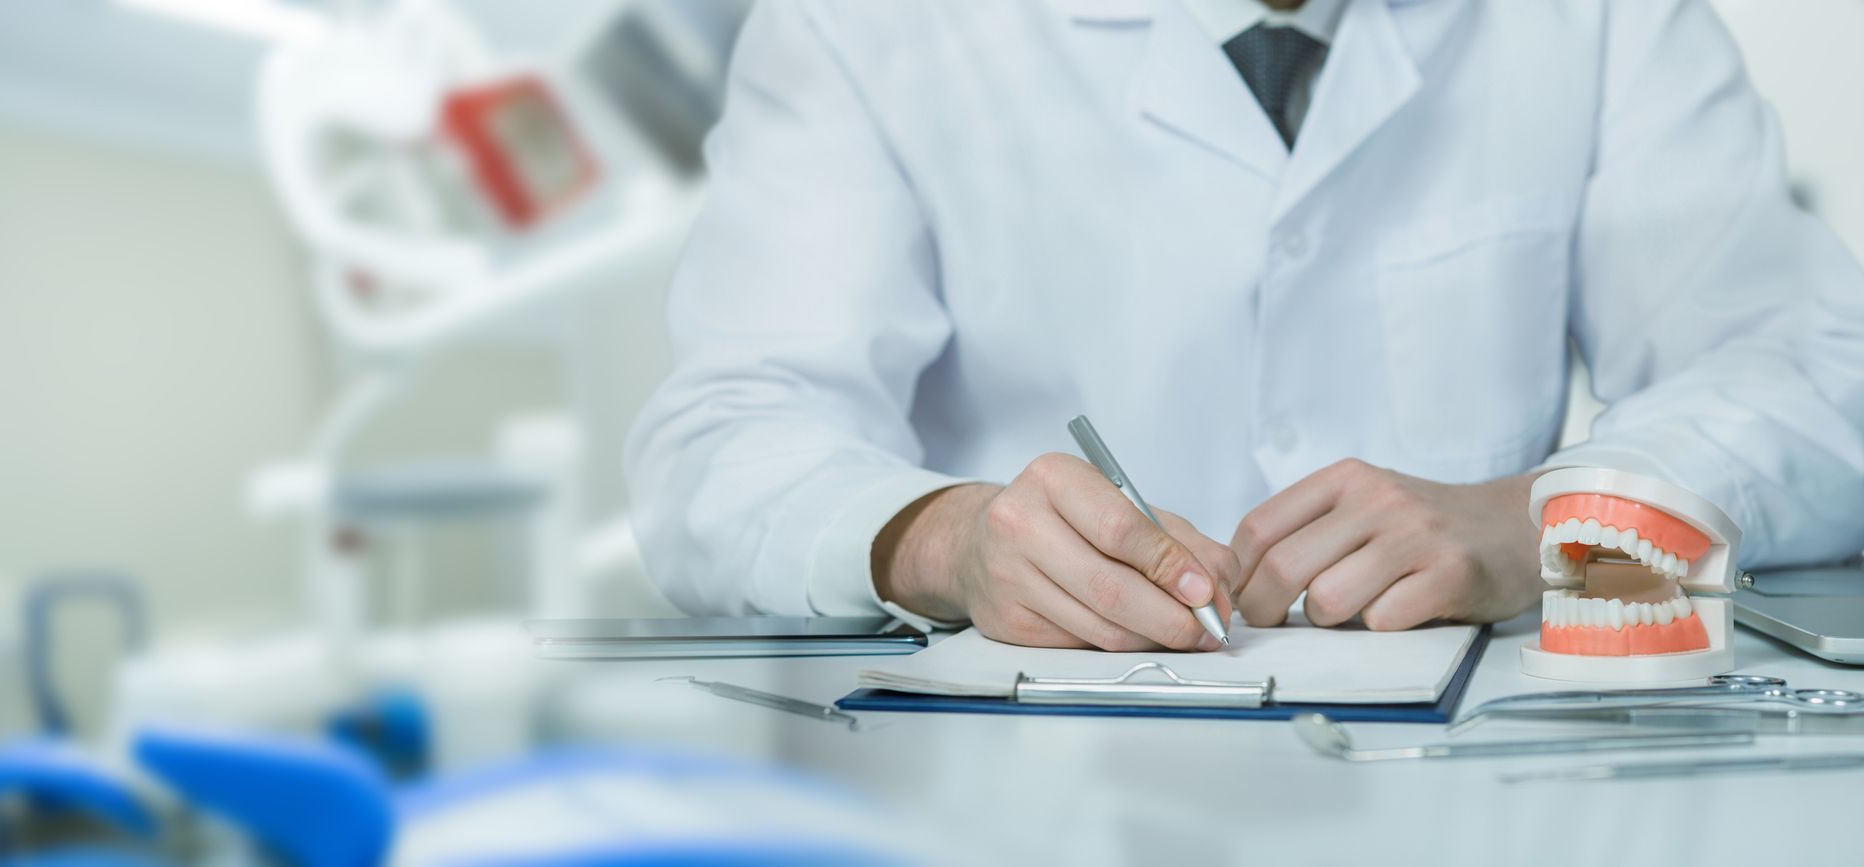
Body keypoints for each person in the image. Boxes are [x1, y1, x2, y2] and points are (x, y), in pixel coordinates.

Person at [624, 0, 1864, 651]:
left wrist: (1553, 521)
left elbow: (1818, 382)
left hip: (1477, 786)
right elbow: (724, 441)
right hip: (1021, 778)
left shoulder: (1604, 18)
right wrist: (945, 543)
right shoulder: (865, 22)